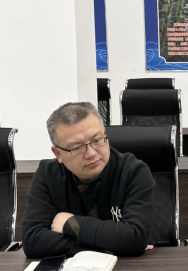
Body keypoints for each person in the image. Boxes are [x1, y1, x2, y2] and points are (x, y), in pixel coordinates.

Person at [22, 102, 155, 258]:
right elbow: (33, 241)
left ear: (105, 134)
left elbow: (135, 238)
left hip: (131, 269)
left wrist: (71, 223)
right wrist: (108, 246)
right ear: (58, 153)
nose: (91, 153)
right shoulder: (48, 174)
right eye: (77, 147)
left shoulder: (133, 171)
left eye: (97, 140)